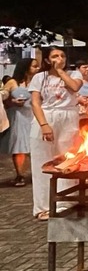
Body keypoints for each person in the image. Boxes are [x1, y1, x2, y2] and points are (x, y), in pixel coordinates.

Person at [28, 47, 83, 220]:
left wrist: (60, 71)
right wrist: (44, 125)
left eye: (62, 55)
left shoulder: (74, 74)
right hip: (47, 115)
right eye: (55, 56)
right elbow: (35, 102)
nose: (60, 58)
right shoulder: (39, 77)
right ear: (47, 60)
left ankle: (66, 202)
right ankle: (43, 206)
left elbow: (74, 87)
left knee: (67, 159)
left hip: (68, 116)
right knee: (42, 161)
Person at [1, 58, 40, 186]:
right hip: (18, 116)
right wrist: (12, 101)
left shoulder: (38, 81)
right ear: (26, 68)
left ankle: (37, 173)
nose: (37, 69)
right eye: (34, 66)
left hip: (34, 115)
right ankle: (20, 174)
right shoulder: (13, 82)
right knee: (19, 146)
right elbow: (3, 97)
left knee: (36, 145)